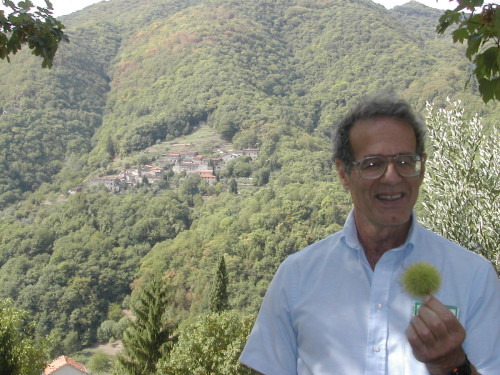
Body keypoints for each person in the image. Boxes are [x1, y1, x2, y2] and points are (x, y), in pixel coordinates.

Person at [239, 95, 500, 375]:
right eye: (373, 164)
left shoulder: (474, 277)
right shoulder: (296, 277)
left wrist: (452, 365)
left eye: (404, 161)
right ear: (343, 173)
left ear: (421, 168)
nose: (392, 176)